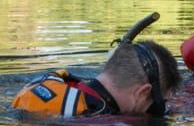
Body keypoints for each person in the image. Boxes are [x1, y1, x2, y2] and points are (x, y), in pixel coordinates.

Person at [12, 40, 181, 118]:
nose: (156, 110)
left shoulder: (65, 84)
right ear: (143, 92)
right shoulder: (98, 121)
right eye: (157, 106)